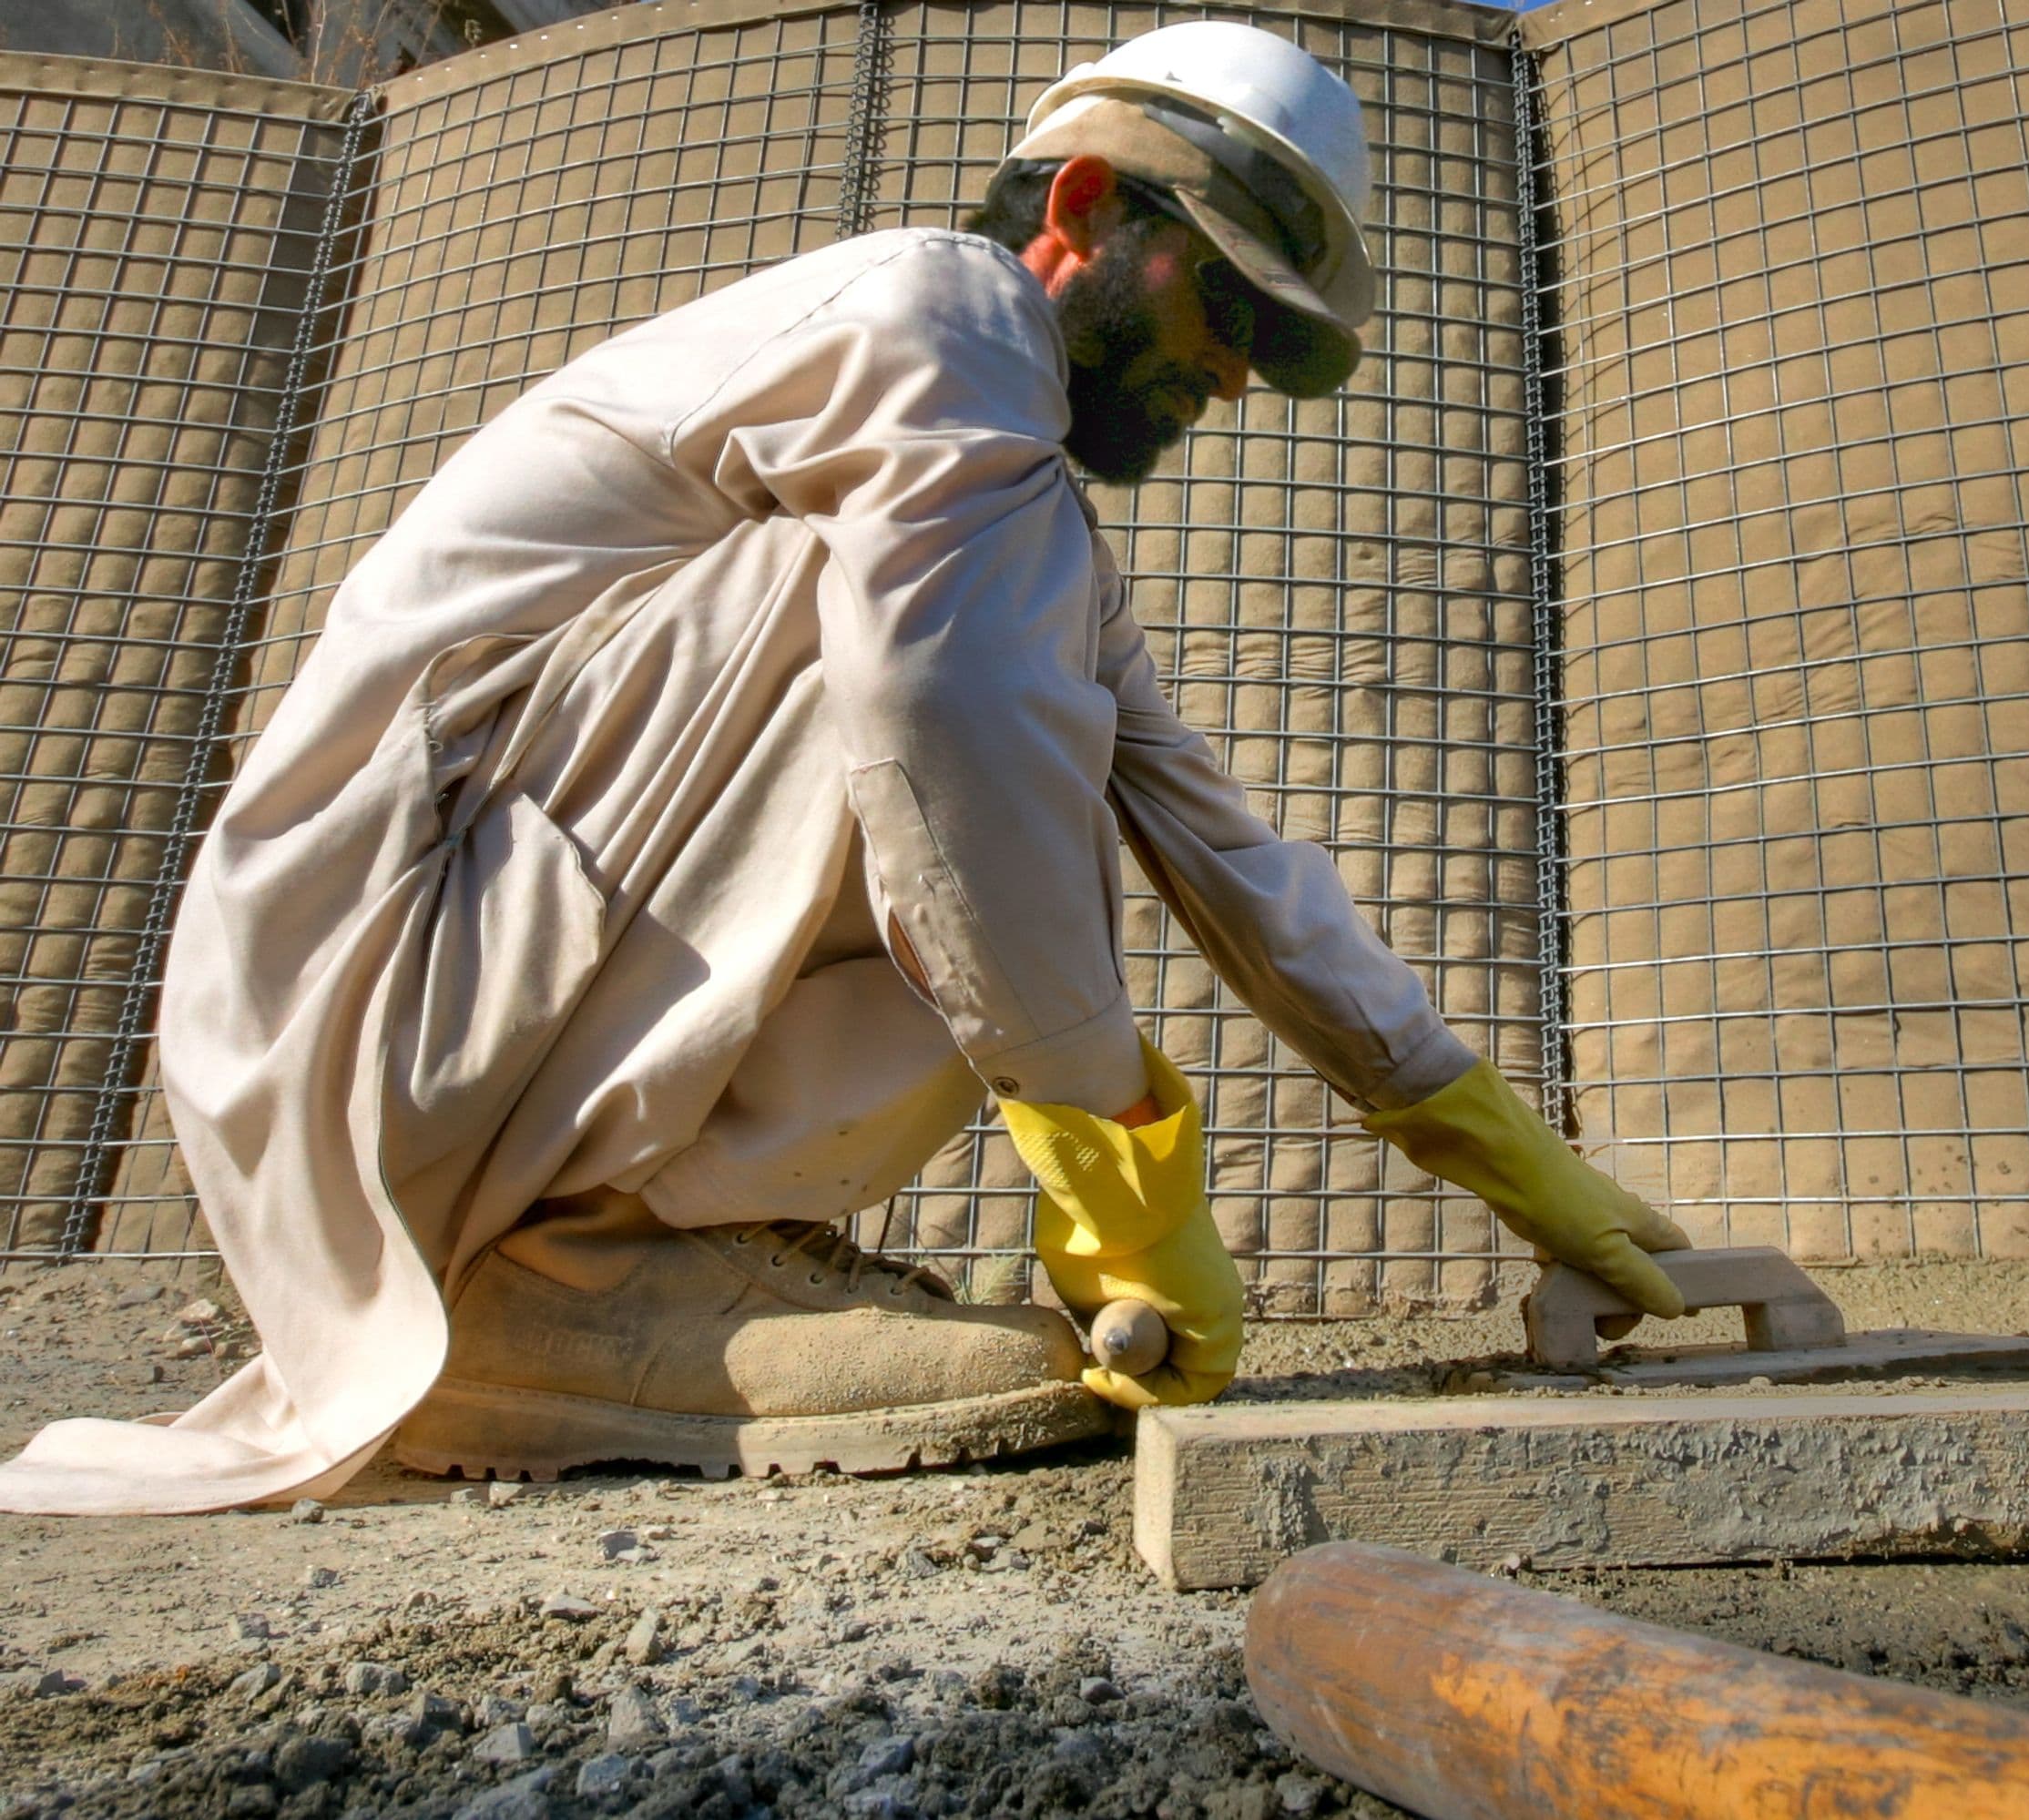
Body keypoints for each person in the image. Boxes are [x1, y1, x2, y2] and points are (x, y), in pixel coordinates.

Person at [0, 23, 1689, 1516]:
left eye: (1272, 340)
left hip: (480, 987)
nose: (1238, 372)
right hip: (387, 973)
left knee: (1037, 722)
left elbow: (1231, 859)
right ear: (1086, 209)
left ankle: (626, 1253)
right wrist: (1106, 1141)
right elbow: (944, 714)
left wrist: (1491, 1146)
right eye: (1229, 301)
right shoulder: (934, 313)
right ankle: (568, 1275)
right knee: (962, 697)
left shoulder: (1031, 535)